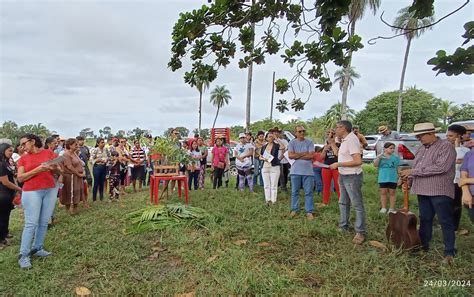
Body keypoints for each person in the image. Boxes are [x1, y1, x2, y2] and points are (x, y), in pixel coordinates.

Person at [400, 122, 456, 264]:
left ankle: (449, 252)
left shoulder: (446, 146)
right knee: (425, 219)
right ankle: (423, 246)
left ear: (432, 134)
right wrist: (408, 180)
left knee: (445, 220)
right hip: (422, 189)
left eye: (421, 136)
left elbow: (441, 168)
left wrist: (412, 172)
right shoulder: (421, 149)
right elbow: (416, 167)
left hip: (439, 190)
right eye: (417, 136)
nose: (419, 139)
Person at [16, 133, 61, 269]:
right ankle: (23, 255)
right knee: (31, 223)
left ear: (33, 141)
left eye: (24, 143)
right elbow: (20, 178)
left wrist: (54, 168)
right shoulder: (23, 159)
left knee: (43, 221)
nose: (22, 147)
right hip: (31, 192)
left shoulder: (49, 153)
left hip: (50, 189)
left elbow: (59, 171)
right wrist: (38, 169)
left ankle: (37, 248)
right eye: (21, 145)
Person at [330, 120, 366, 244]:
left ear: (343, 128)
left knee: (357, 204)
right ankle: (343, 225)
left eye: (337, 128)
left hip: (352, 176)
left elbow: (357, 161)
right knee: (343, 202)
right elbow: (337, 153)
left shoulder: (352, 140)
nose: (335, 130)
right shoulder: (345, 140)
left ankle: (360, 231)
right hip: (343, 174)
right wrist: (331, 142)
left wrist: (338, 164)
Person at [445, 124, 469, 233]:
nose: (447, 138)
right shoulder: (444, 148)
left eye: (450, 136)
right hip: (445, 180)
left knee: (456, 204)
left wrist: (457, 146)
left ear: (458, 137)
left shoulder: (466, 151)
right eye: (447, 135)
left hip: (457, 181)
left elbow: (459, 160)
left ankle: (454, 226)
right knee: (445, 203)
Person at [288, 126, 315, 220]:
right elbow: (290, 155)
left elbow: (311, 156)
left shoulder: (310, 142)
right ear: (295, 133)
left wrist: (297, 155)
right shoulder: (292, 142)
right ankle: (294, 209)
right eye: (300, 131)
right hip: (295, 171)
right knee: (294, 191)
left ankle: (309, 211)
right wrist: (304, 153)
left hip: (308, 172)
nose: (302, 133)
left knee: (309, 192)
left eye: (303, 131)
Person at [0, 143, 22, 248]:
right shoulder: (1, 164)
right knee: (2, 216)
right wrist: (19, 189)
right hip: (2, 193)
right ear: (3, 150)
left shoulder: (6, 163)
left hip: (8, 193)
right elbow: (5, 182)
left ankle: (4, 233)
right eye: (9, 150)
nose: (11, 152)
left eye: (12, 150)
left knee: (6, 215)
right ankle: (1, 240)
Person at [60, 138, 85, 215]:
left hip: (77, 177)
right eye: (75, 144)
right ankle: (68, 211)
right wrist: (78, 173)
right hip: (71, 177)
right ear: (70, 145)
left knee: (77, 192)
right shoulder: (66, 154)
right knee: (69, 192)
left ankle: (75, 209)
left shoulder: (74, 153)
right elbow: (69, 167)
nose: (77, 146)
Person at [373, 142, 400, 214]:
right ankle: (384, 207)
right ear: (385, 149)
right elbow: (375, 165)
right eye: (390, 148)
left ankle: (391, 208)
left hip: (393, 178)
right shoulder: (380, 157)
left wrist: (400, 177)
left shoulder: (395, 157)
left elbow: (398, 167)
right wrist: (379, 157)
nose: (392, 150)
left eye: (393, 148)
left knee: (392, 193)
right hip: (383, 178)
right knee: (383, 192)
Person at [260, 131, 283, 204]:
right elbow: (260, 156)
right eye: (269, 136)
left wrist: (277, 138)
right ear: (266, 138)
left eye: (272, 136)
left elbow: (283, 147)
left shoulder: (276, 145)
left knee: (274, 185)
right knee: (266, 185)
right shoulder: (264, 146)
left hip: (274, 167)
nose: (271, 137)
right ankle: (268, 200)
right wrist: (263, 158)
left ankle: (274, 201)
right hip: (265, 166)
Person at [321, 129, 340, 206]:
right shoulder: (325, 145)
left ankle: (341, 202)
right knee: (326, 185)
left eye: (332, 133)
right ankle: (325, 202)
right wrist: (325, 150)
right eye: (328, 133)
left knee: (338, 185)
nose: (330, 135)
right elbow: (322, 157)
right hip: (326, 167)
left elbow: (338, 155)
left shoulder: (339, 144)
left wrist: (332, 143)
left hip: (336, 168)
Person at [90, 138, 110, 202]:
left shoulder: (105, 149)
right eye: (102, 142)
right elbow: (91, 159)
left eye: (104, 142)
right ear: (98, 143)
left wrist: (106, 160)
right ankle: (94, 199)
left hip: (103, 167)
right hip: (97, 167)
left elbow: (109, 156)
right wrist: (97, 160)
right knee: (96, 183)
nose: (103, 144)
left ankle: (101, 197)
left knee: (102, 182)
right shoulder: (95, 150)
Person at [458, 151, 474, 223]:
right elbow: (463, 172)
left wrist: (465, 180)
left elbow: (463, 180)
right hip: (471, 196)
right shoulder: (470, 153)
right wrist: (465, 191)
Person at [76, 136, 92, 208]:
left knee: (88, 181)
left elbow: (88, 157)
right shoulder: (75, 149)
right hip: (77, 170)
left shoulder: (86, 148)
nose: (82, 141)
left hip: (85, 168)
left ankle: (85, 201)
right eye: (80, 140)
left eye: (82, 140)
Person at [274, 127, 290, 192]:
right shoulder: (274, 141)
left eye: (279, 133)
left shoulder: (284, 141)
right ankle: (279, 186)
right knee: (280, 174)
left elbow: (285, 149)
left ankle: (284, 186)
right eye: (276, 132)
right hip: (277, 160)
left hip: (284, 160)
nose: (278, 134)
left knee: (285, 174)